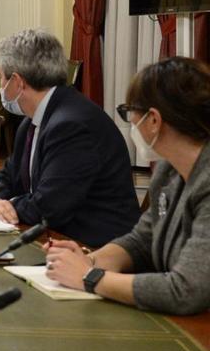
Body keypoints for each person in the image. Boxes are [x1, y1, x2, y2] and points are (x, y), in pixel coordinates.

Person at [45, 57, 210, 315]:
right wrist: (88, 260)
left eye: (130, 110)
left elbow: (186, 290)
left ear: (154, 119)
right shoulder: (169, 170)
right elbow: (143, 239)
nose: (130, 120)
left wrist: (90, 277)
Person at [0, 29, 137, 248]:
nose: (0, 86)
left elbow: (50, 207)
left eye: (0, 78)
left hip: (94, 248)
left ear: (17, 81)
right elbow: (8, 176)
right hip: (55, 237)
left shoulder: (72, 124)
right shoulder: (31, 122)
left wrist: (9, 206)